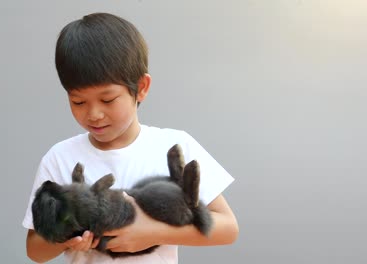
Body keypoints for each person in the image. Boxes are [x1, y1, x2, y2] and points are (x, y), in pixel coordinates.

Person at [22, 12, 239, 264]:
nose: (94, 114)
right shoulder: (60, 157)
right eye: (78, 101)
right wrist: (64, 238)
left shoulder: (173, 146)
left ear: (142, 88)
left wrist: (152, 232)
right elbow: (34, 250)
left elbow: (228, 227)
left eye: (107, 100)